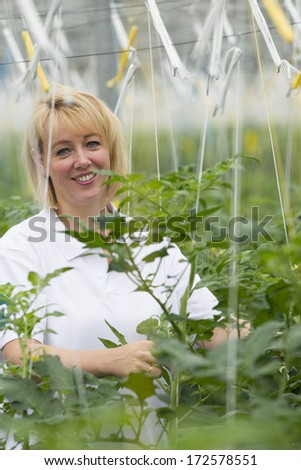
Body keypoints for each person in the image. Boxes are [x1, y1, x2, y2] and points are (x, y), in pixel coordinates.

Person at [0, 86, 242, 379]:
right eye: (63, 150)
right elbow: (19, 355)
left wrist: (277, 338)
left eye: (92, 144)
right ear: (41, 162)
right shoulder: (19, 248)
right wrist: (109, 360)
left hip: (151, 426)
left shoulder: (151, 240)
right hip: (62, 425)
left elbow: (209, 330)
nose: (82, 160)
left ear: (110, 150)